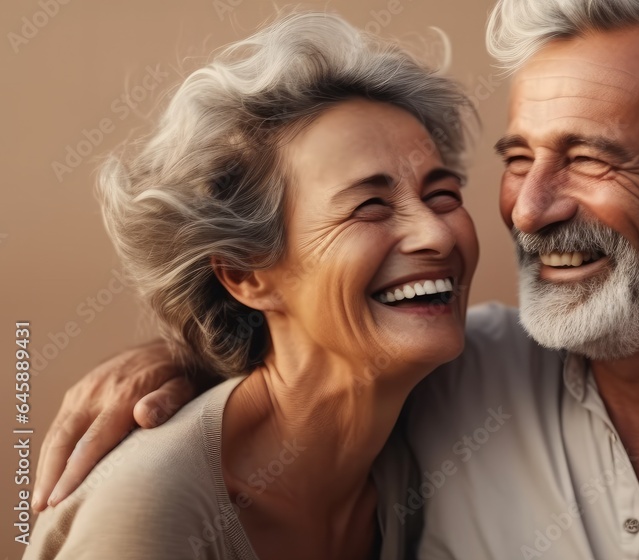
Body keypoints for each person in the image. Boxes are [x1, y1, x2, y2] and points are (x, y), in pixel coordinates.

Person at [34, 0, 639, 559]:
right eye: (517, 156)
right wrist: (182, 357)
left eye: (589, 158)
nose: (528, 210)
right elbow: (303, 361)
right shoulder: (456, 378)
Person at [24, 11, 479, 560]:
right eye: (370, 206)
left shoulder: (439, 429)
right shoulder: (149, 518)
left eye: (443, 195)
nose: (434, 232)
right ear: (245, 275)